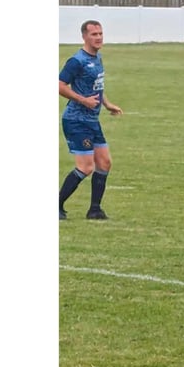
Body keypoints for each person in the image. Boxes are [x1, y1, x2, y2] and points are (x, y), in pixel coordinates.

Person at [59, 20, 123, 220]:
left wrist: (107, 104)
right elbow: (60, 85)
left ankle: (94, 210)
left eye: (100, 33)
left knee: (104, 163)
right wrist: (82, 100)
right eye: (94, 34)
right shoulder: (76, 61)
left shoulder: (98, 58)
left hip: (92, 120)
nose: (98, 37)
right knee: (86, 167)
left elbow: (95, 87)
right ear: (84, 37)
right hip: (76, 120)